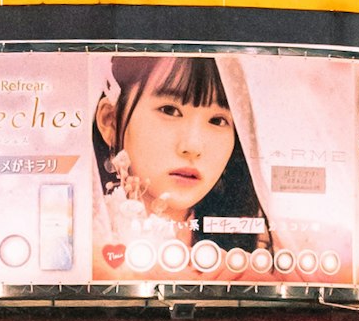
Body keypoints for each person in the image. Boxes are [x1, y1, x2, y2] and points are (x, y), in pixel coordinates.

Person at [91, 51, 267, 266]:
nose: (192, 147)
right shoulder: (78, 241)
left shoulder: (256, 260)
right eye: (170, 110)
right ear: (110, 121)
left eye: (218, 120)